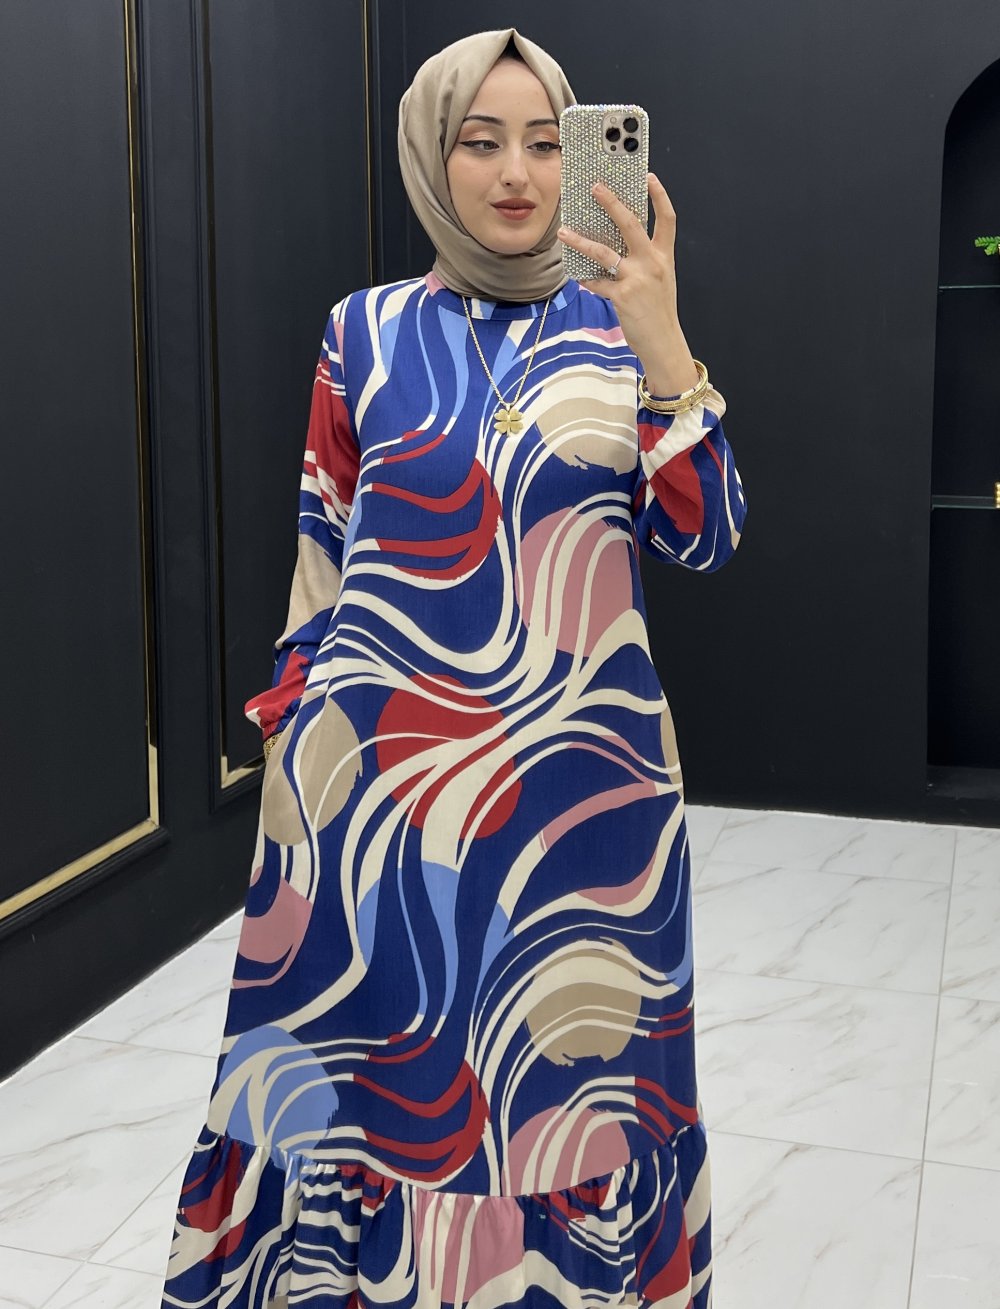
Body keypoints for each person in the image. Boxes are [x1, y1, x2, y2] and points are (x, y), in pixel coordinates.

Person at [160, 25, 745, 1309]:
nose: (516, 173)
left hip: (585, 811)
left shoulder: (622, 328)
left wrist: (664, 345)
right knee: (373, 1092)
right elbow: (322, 551)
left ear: (583, 154)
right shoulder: (361, 331)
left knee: (576, 1100)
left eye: (543, 141)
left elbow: (707, 536)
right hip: (378, 806)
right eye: (480, 142)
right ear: (433, 155)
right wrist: (290, 737)